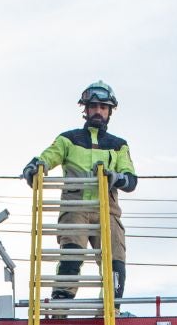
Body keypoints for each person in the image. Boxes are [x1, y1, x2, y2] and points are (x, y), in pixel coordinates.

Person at [20, 81, 137, 300]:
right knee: (71, 257)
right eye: (94, 107)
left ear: (110, 111)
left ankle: (112, 308)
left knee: (116, 262)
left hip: (108, 211)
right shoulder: (68, 139)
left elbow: (131, 180)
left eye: (103, 107)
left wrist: (115, 177)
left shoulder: (119, 145)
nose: (98, 111)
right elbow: (48, 156)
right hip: (76, 208)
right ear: (85, 109)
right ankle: (60, 309)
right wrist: (35, 166)